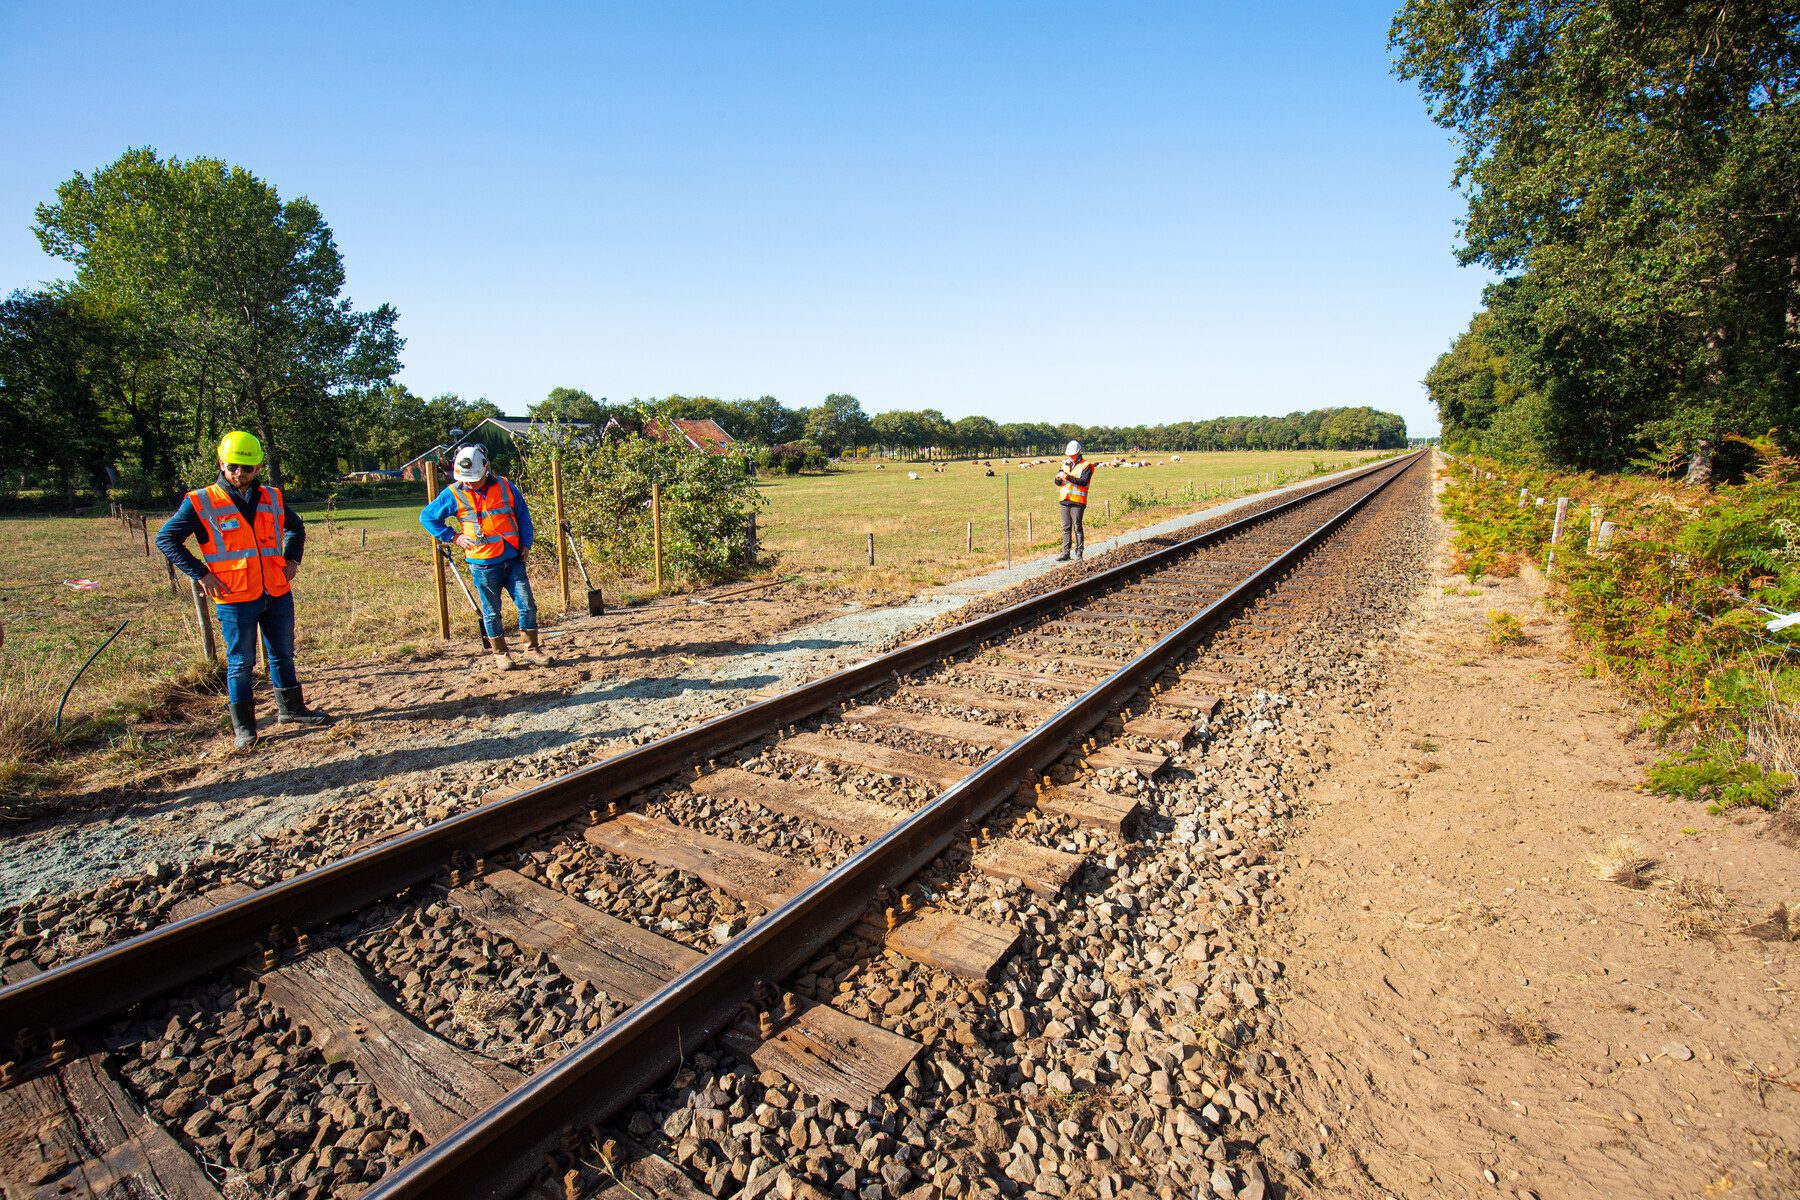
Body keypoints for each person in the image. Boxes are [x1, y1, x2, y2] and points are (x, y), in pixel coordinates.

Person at [157, 431, 332, 748]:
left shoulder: (272, 497)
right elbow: (166, 540)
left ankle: (291, 710)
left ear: (257, 468)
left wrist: (292, 557)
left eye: (247, 468)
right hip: (235, 596)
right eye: (233, 466)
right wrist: (200, 573)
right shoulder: (201, 501)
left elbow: (295, 528)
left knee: (283, 654)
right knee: (241, 662)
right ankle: (245, 728)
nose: (240, 473)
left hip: (276, 590)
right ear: (222, 463)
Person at [419, 444, 551, 671]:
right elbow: (427, 517)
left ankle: (531, 650)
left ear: (486, 469)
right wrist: (453, 536)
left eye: (474, 479)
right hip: (482, 563)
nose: (469, 483)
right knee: (491, 612)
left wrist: (526, 543)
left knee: (527, 604)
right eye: (465, 479)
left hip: (513, 558)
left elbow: (523, 516)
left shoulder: (505, 486)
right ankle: (501, 654)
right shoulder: (453, 493)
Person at [1054, 439, 1095, 561]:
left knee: (1077, 527)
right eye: (1069, 455)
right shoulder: (1064, 464)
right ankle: (1065, 552)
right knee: (1066, 527)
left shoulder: (1086, 465)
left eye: (1073, 454)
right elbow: (1058, 482)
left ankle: (1079, 552)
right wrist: (1058, 479)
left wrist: (1068, 477)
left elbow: (1084, 481)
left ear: (1078, 452)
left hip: (1078, 500)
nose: (1070, 457)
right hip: (1064, 500)